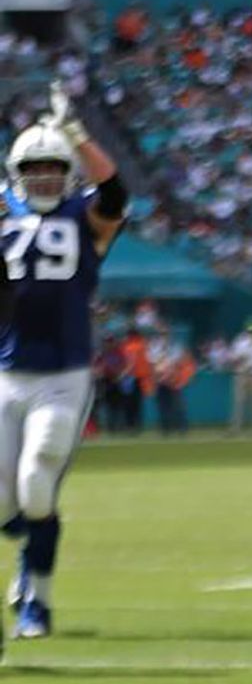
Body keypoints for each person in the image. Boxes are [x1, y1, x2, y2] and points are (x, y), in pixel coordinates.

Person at [0, 83, 130, 642]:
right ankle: (31, 546)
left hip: (64, 375)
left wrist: (76, 133)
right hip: (7, 373)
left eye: (56, 168)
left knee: (36, 481)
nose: (47, 178)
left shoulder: (86, 219)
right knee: (11, 501)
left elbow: (117, 190)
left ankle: (39, 601)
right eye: (36, 169)